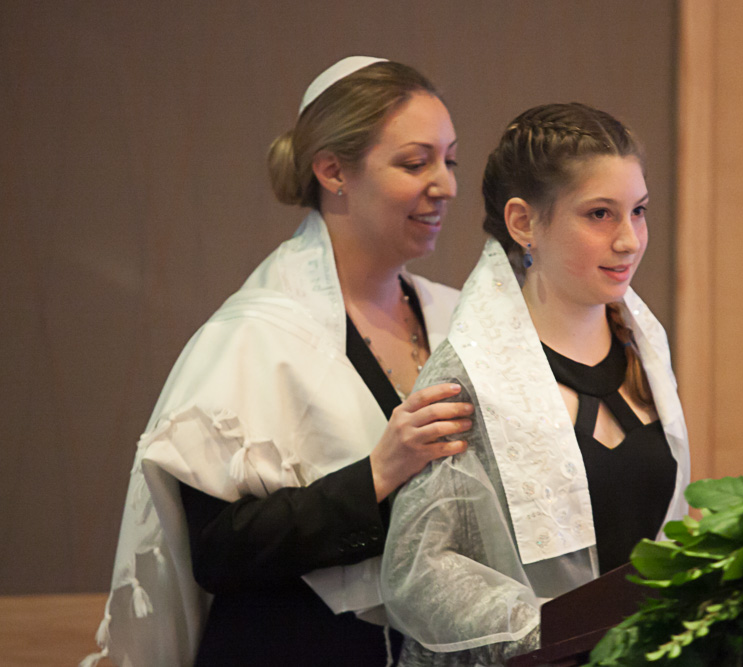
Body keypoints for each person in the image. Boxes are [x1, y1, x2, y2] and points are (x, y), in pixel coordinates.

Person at [83, 56, 472, 667]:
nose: (446, 184)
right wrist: (376, 473)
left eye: (449, 160)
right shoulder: (253, 336)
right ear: (332, 170)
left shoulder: (454, 318)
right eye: (415, 162)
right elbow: (217, 551)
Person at [381, 103, 692, 665]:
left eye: (639, 211)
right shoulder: (467, 376)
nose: (629, 240)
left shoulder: (644, 348)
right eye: (600, 214)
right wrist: (555, 635)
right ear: (524, 222)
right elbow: (420, 570)